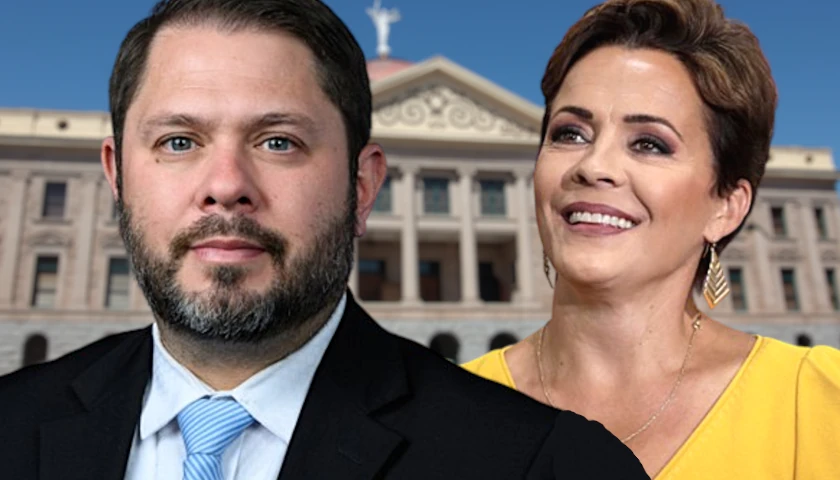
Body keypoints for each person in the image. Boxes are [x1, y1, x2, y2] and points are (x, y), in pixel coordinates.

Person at [0, 1, 648, 479]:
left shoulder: (549, 464)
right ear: (115, 176)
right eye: (179, 142)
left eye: (279, 142)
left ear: (363, 186)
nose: (226, 186)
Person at [463, 0, 840, 478]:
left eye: (649, 143)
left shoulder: (821, 401)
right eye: (570, 134)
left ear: (726, 206)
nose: (593, 166)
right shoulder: (445, 411)